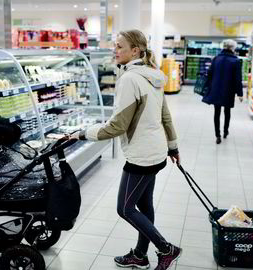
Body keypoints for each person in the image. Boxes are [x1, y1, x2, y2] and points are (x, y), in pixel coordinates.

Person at [71, 29, 182, 270]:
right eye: (115, 45)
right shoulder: (153, 74)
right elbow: (166, 116)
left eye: (120, 46)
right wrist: (173, 147)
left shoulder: (130, 79)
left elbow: (116, 127)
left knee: (125, 208)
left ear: (135, 51)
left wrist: (82, 133)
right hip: (156, 151)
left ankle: (166, 248)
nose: (115, 50)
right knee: (145, 206)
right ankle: (141, 256)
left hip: (142, 156)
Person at [202, 39, 244, 144]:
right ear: (232, 48)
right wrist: (240, 94)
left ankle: (218, 135)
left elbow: (209, 74)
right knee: (227, 111)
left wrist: (207, 88)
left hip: (216, 89)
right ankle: (225, 131)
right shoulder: (236, 61)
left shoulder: (216, 59)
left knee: (217, 112)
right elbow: (237, 79)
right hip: (229, 91)